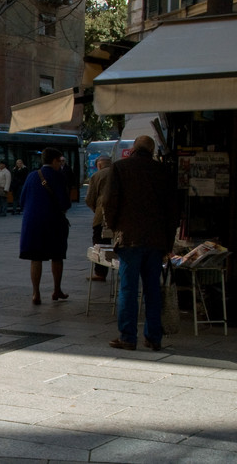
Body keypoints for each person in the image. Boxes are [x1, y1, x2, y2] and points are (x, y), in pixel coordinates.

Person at [103, 136, 177, 352]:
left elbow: (108, 201)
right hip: (156, 240)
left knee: (128, 288)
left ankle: (128, 336)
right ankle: (154, 337)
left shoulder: (120, 168)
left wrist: (116, 226)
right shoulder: (163, 172)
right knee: (152, 289)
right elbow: (172, 211)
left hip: (129, 237)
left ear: (134, 148)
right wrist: (168, 242)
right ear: (152, 151)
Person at [19, 147, 70, 305]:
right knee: (57, 256)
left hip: (32, 223)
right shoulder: (59, 177)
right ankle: (56, 289)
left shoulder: (32, 176)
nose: (61, 165)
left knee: (36, 258)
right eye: (60, 161)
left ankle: (36, 293)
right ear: (54, 161)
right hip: (54, 223)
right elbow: (65, 203)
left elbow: (22, 201)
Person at [85, 155, 113, 282]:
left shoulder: (97, 176)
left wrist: (95, 209)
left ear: (99, 165)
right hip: (122, 216)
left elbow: (89, 198)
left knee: (100, 243)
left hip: (102, 215)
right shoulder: (119, 173)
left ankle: (100, 272)